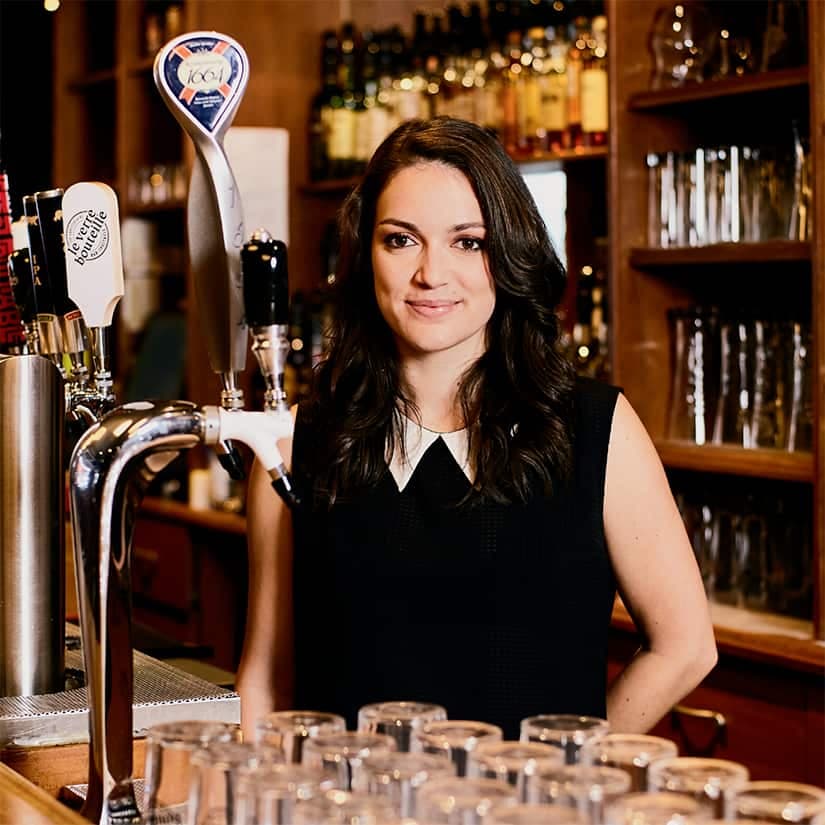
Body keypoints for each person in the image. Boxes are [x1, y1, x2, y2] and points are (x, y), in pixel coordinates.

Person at [237, 116, 717, 740]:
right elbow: (266, 680)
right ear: (364, 255)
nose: (432, 273)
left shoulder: (595, 427)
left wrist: (569, 763)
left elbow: (685, 647)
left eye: (468, 242)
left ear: (509, 253)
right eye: (400, 240)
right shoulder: (290, 444)